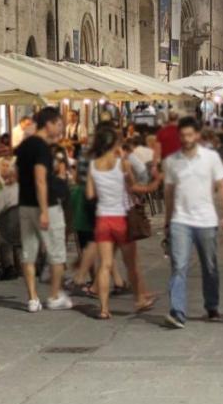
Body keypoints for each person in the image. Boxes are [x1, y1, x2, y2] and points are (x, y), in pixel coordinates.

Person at [163, 116, 223, 329]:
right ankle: (177, 312)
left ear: (197, 135)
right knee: (178, 266)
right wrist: (167, 222)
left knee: (210, 266)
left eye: (189, 134)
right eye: (183, 135)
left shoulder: (211, 157)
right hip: (180, 220)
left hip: (206, 220)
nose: (186, 139)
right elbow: (168, 193)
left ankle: (212, 305)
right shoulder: (171, 161)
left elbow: (222, 186)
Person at [84, 125, 155, 319]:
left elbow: (90, 194)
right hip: (121, 218)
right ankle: (139, 299)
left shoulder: (93, 165)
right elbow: (132, 187)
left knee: (105, 264)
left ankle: (104, 309)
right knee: (131, 263)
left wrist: (102, 190)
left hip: (102, 218)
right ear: (114, 143)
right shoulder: (122, 164)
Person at [15, 106, 73, 312]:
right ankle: (54, 296)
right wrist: (45, 211)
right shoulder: (41, 148)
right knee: (57, 253)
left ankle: (32, 298)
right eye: (58, 124)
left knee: (28, 253)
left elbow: (18, 174)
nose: (60, 129)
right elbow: (40, 179)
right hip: (44, 205)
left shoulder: (24, 146)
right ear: (48, 124)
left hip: (24, 204)